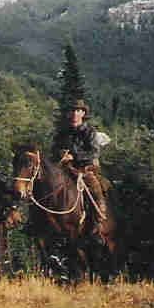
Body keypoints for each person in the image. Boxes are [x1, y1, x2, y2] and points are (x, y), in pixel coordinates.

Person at [51, 99, 109, 236]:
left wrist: (74, 156)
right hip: (65, 169)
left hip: (86, 168)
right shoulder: (62, 133)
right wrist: (60, 155)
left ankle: (98, 221)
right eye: (71, 111)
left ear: (83, 113)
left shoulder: (90, 131)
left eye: (77, 111)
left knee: (95, 188)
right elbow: (54, 150)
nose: (74, 114)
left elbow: (94, 152)